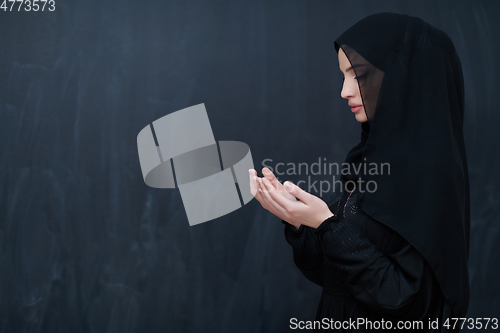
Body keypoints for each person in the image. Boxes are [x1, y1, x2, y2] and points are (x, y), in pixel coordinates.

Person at [249, 12, 470, 332]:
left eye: (359, 75)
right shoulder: (368, 163)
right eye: (344, 76)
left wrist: (327, 224)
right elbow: (337, 277)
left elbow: (406, 300)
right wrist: (299, 222)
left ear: (401, 77)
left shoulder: (428, 174)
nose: (345, 91)